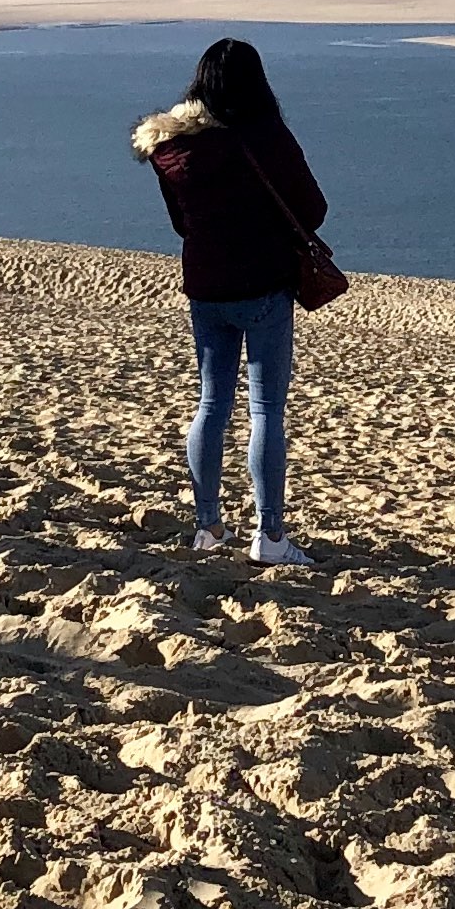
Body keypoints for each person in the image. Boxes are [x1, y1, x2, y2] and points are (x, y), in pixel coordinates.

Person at [130, 37, 328, 566]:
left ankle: (208, 527)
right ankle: (269, 536)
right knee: (265, 409)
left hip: (205, 286)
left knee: (212, 404)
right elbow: (313, 208)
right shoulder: (266, 136)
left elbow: (181, 223)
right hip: (264, 283)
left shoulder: (172, 148)